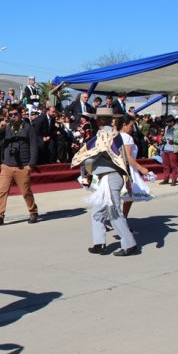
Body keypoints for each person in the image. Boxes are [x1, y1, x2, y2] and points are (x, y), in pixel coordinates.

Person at [72, 108, 137, 256]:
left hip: (110, 176)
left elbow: (92, 156)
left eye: (96, 118)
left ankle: (129, 244)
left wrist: (82, 159)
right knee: (97, 211)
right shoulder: (115, 135)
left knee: (113, 212)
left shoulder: (104, 135)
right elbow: (123, 159)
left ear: (100, 119)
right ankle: (99, 243)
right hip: (109, 177)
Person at [0, 105, 39, 227]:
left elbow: (33, 146)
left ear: (21, 114)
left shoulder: (28, 128)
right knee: (2, 191)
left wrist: (31, 164)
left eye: (15, 114)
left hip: (23, 165)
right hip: (7, 165)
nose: (13, 117)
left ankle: (33, 211)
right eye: (10, 115)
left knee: (26, 191)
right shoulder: (6, 126)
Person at [119, 114, 152, 219]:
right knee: (129, 196)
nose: (132, 128)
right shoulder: (127, 138)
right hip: (128, 169)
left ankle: (110, 219)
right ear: (124, 125)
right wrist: (141, 168)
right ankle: (122, 219)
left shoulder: (115, 136)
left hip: (117, 168)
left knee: (114, 196)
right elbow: (128, 157)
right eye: (131, 125)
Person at [159, 116, 178, 186]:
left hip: (173, 149)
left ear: (172, 122)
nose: (167, 124)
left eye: (168, 122)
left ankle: (174, 180)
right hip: (165, 148)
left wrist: (174, 140)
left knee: (173, 165)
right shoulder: (167, 128)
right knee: (165, 165)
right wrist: (163, 138)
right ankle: (166, 179)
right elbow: (165, 136)